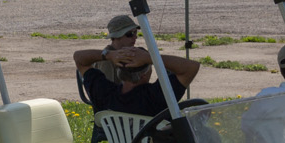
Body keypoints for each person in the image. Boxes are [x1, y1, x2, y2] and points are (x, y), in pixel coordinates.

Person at [73, 16, 201, 117]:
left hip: (116, 129)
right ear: (144, 74)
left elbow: (79, 57)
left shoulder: (105, 93)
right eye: (129, 34)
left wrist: (108, 55)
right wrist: (150, 58)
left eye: (135, 32)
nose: (134, 36)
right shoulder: (154, 97)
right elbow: (191, 67)